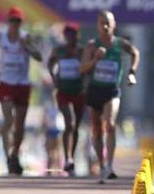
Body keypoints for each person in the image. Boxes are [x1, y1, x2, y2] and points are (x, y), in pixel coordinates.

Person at [79, 10, 139, 183]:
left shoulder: (120, 44)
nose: (105, 26)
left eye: (108, 23)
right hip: (94, 91)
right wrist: (95, 60)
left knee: (110, 124)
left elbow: (135, 52)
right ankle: (102, 164)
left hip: (112, 91)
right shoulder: (92, 46)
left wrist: (131, 72)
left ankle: (110, 165)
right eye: (101, 23)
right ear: (97, 26)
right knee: (97, 131)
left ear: (114, 25)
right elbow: (82, 69)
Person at [0, 6, 42, 175]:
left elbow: (39, 57)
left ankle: (14, 154)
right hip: (6, 83)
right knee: (8, 120)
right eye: (12, 20)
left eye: (18, 21)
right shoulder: (0, 36)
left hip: (23, 85)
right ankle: (6, 155)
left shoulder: (26, 37)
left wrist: (28, 48)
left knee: (19, 126)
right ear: (8, 21)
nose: (15, 24)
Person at [47, 22, 85, 176]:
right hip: (63, 91)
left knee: (76, 127)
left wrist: (85, 79)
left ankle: (72, 157)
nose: (70, 38)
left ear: (77, 36)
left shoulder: (82, 51)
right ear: (65, 36)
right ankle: (67, 158)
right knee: (70, 122)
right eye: (68, 35)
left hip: (79, 92)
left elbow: (89, 66)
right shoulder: (59, 50)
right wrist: (53, 76)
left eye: (73, 35)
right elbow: (50, 63)